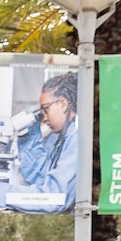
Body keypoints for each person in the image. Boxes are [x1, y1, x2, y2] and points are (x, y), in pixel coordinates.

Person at [6, 71, 79, 213]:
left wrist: (3, 194)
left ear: (63, 104)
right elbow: (41, 177)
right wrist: (30, 129)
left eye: (46, 109)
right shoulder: (62, 137)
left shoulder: (76, 137)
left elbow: (55, 198)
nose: (44, 118)